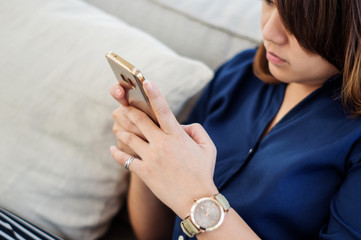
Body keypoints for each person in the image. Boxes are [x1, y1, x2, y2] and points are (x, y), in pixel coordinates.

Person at [109, 0, 361, 239]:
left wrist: (196, 197)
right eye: (270, 3)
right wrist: (143, 156)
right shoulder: (240, 73)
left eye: (300, 20)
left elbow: (187, 199)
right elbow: (156, 234)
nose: (270, 32)